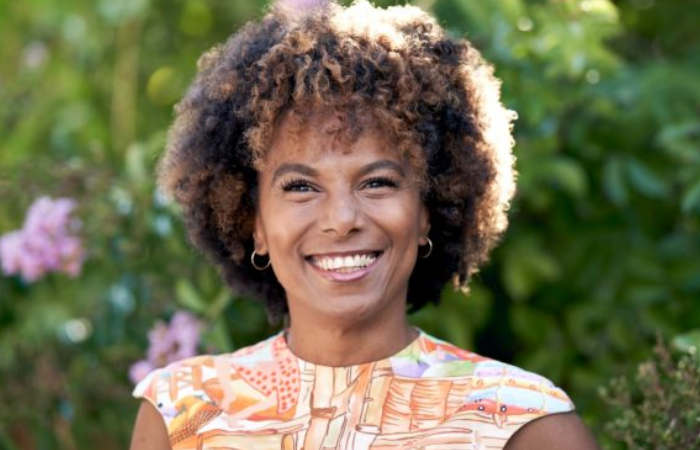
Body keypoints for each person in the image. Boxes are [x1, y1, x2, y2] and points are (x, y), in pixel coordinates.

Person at [130, 1, 599, 448]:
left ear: (428, 210)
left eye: (377, 183)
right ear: (253, 223)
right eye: (301, 187)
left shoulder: (520, 422)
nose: (342, 220)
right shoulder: (182, 413)